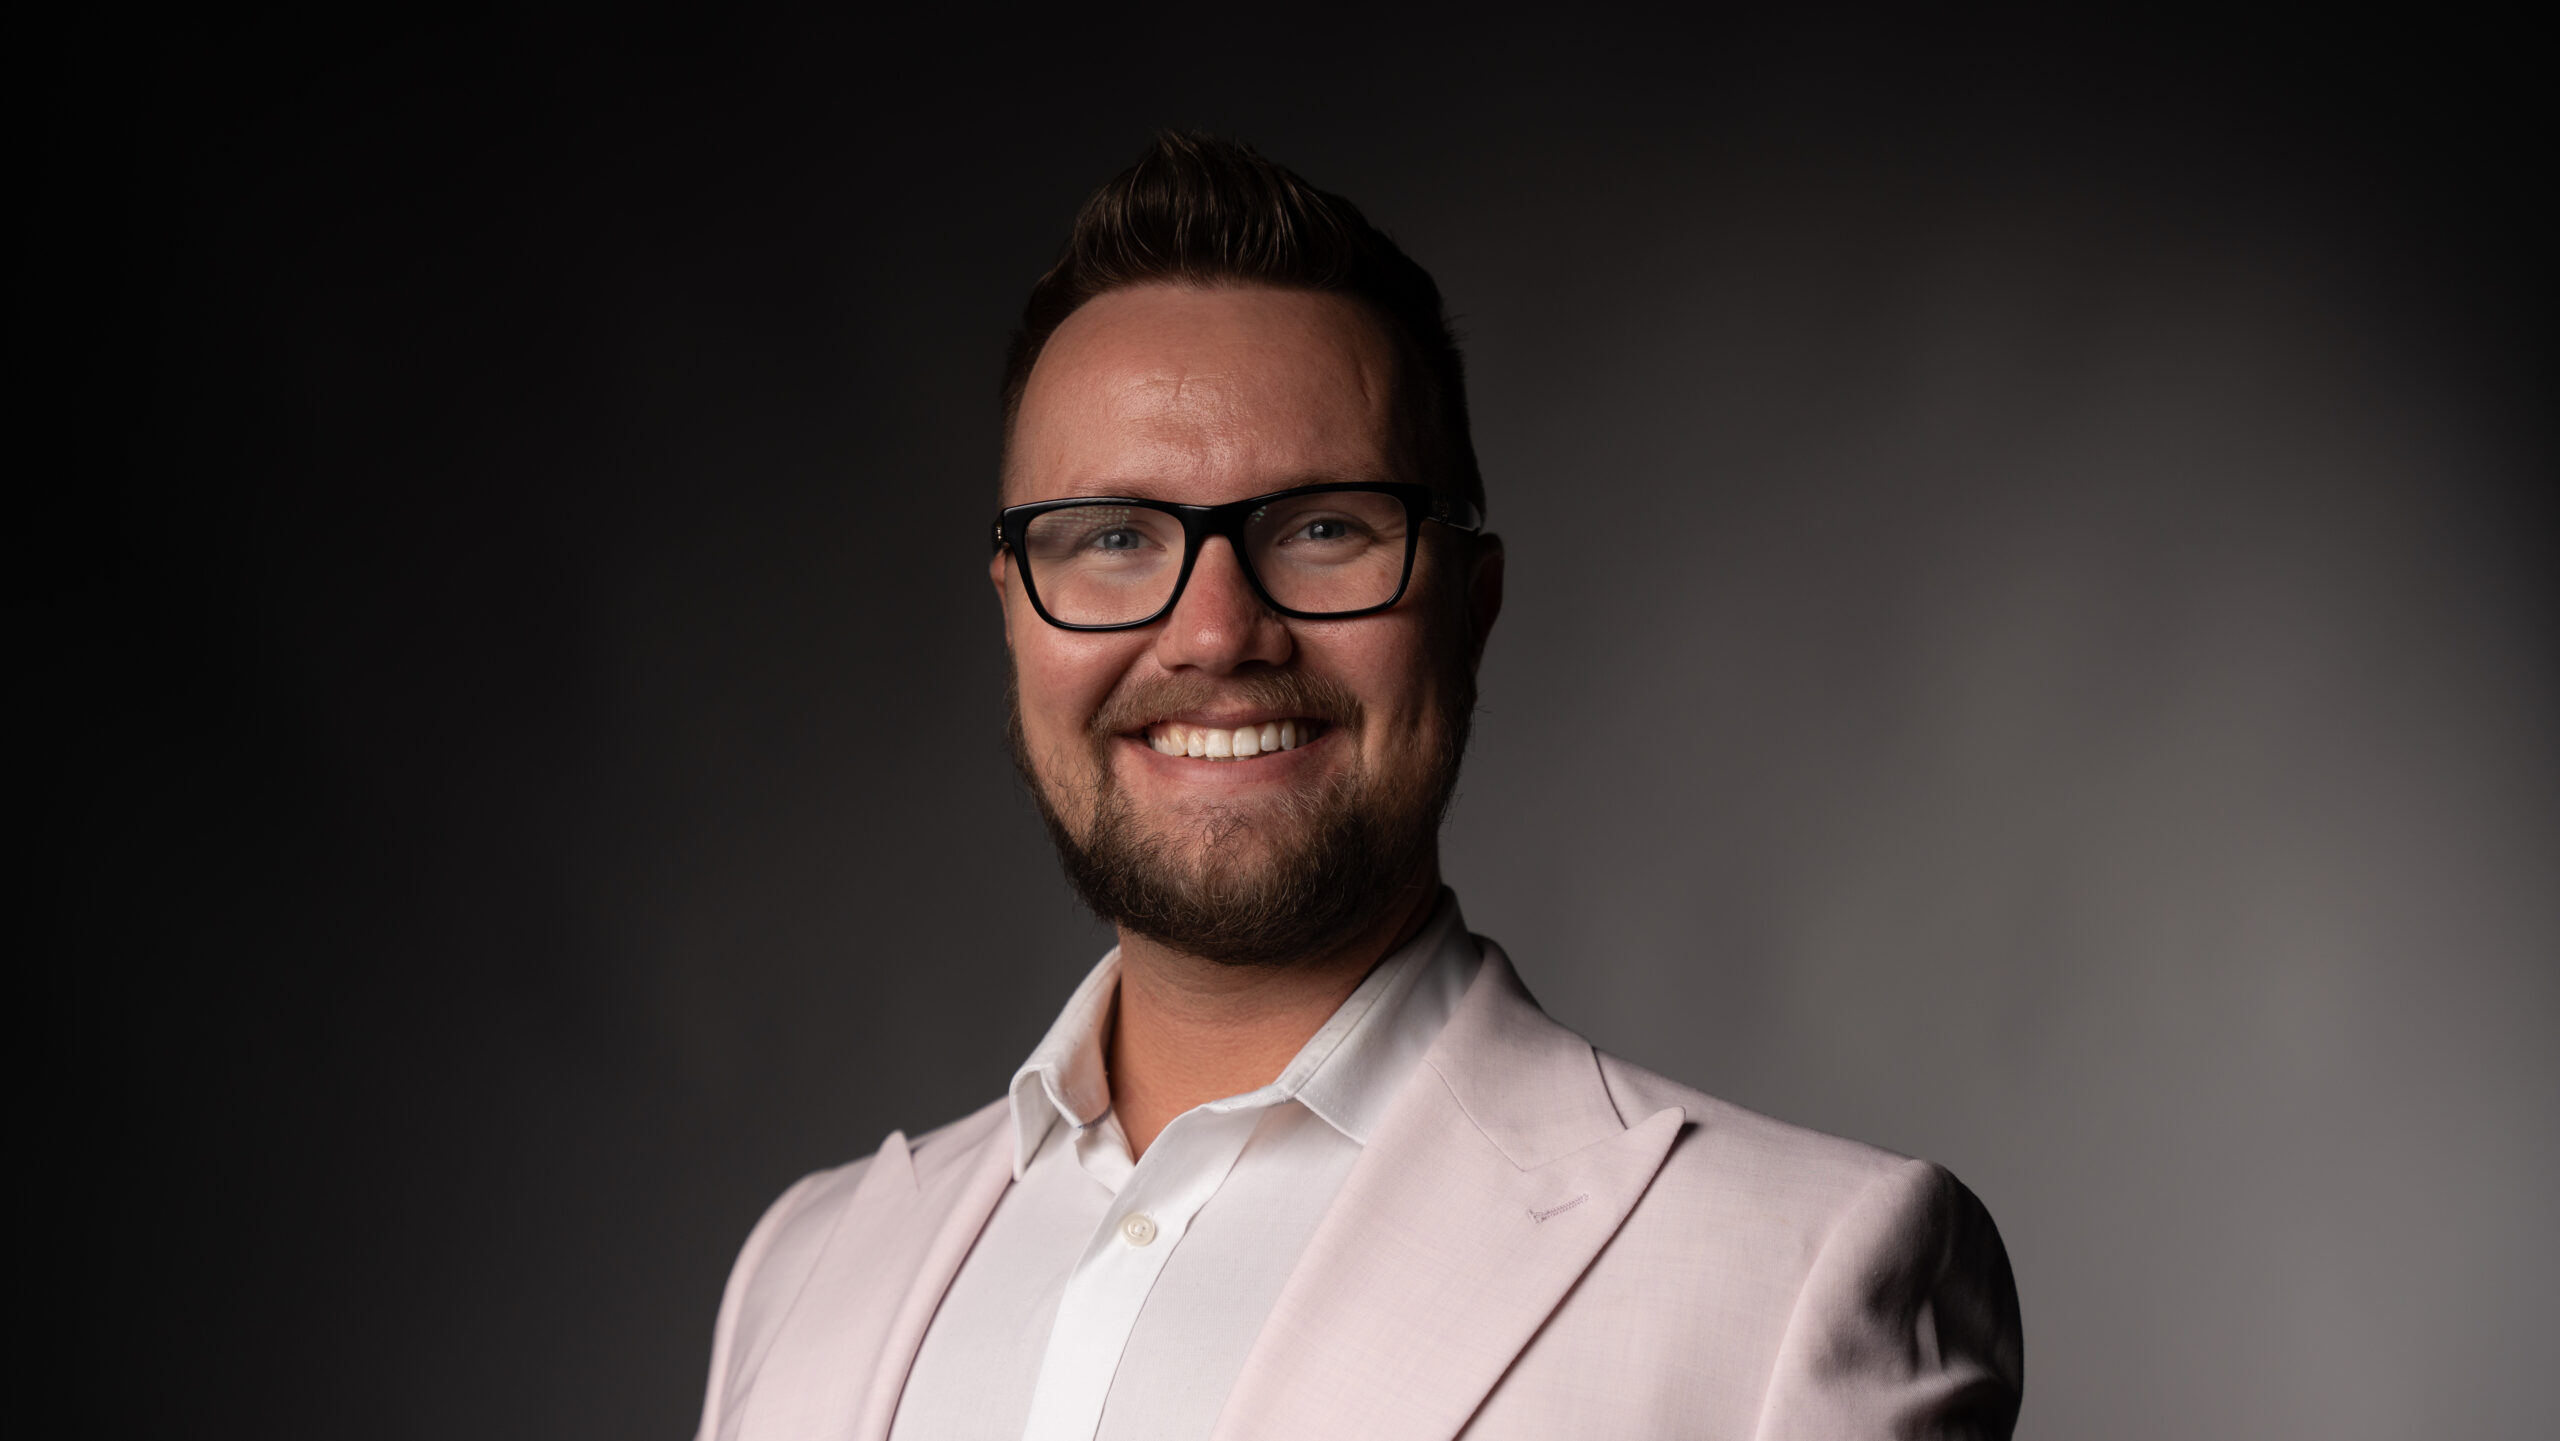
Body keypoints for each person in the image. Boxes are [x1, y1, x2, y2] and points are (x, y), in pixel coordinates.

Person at [694, 132, 2023, 1441]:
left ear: (1471, 608)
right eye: (1111, 537)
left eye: (1323, 528)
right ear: (1014, 618)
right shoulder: (805, 1271)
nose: (1215, 632)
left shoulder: (1796, 1280)